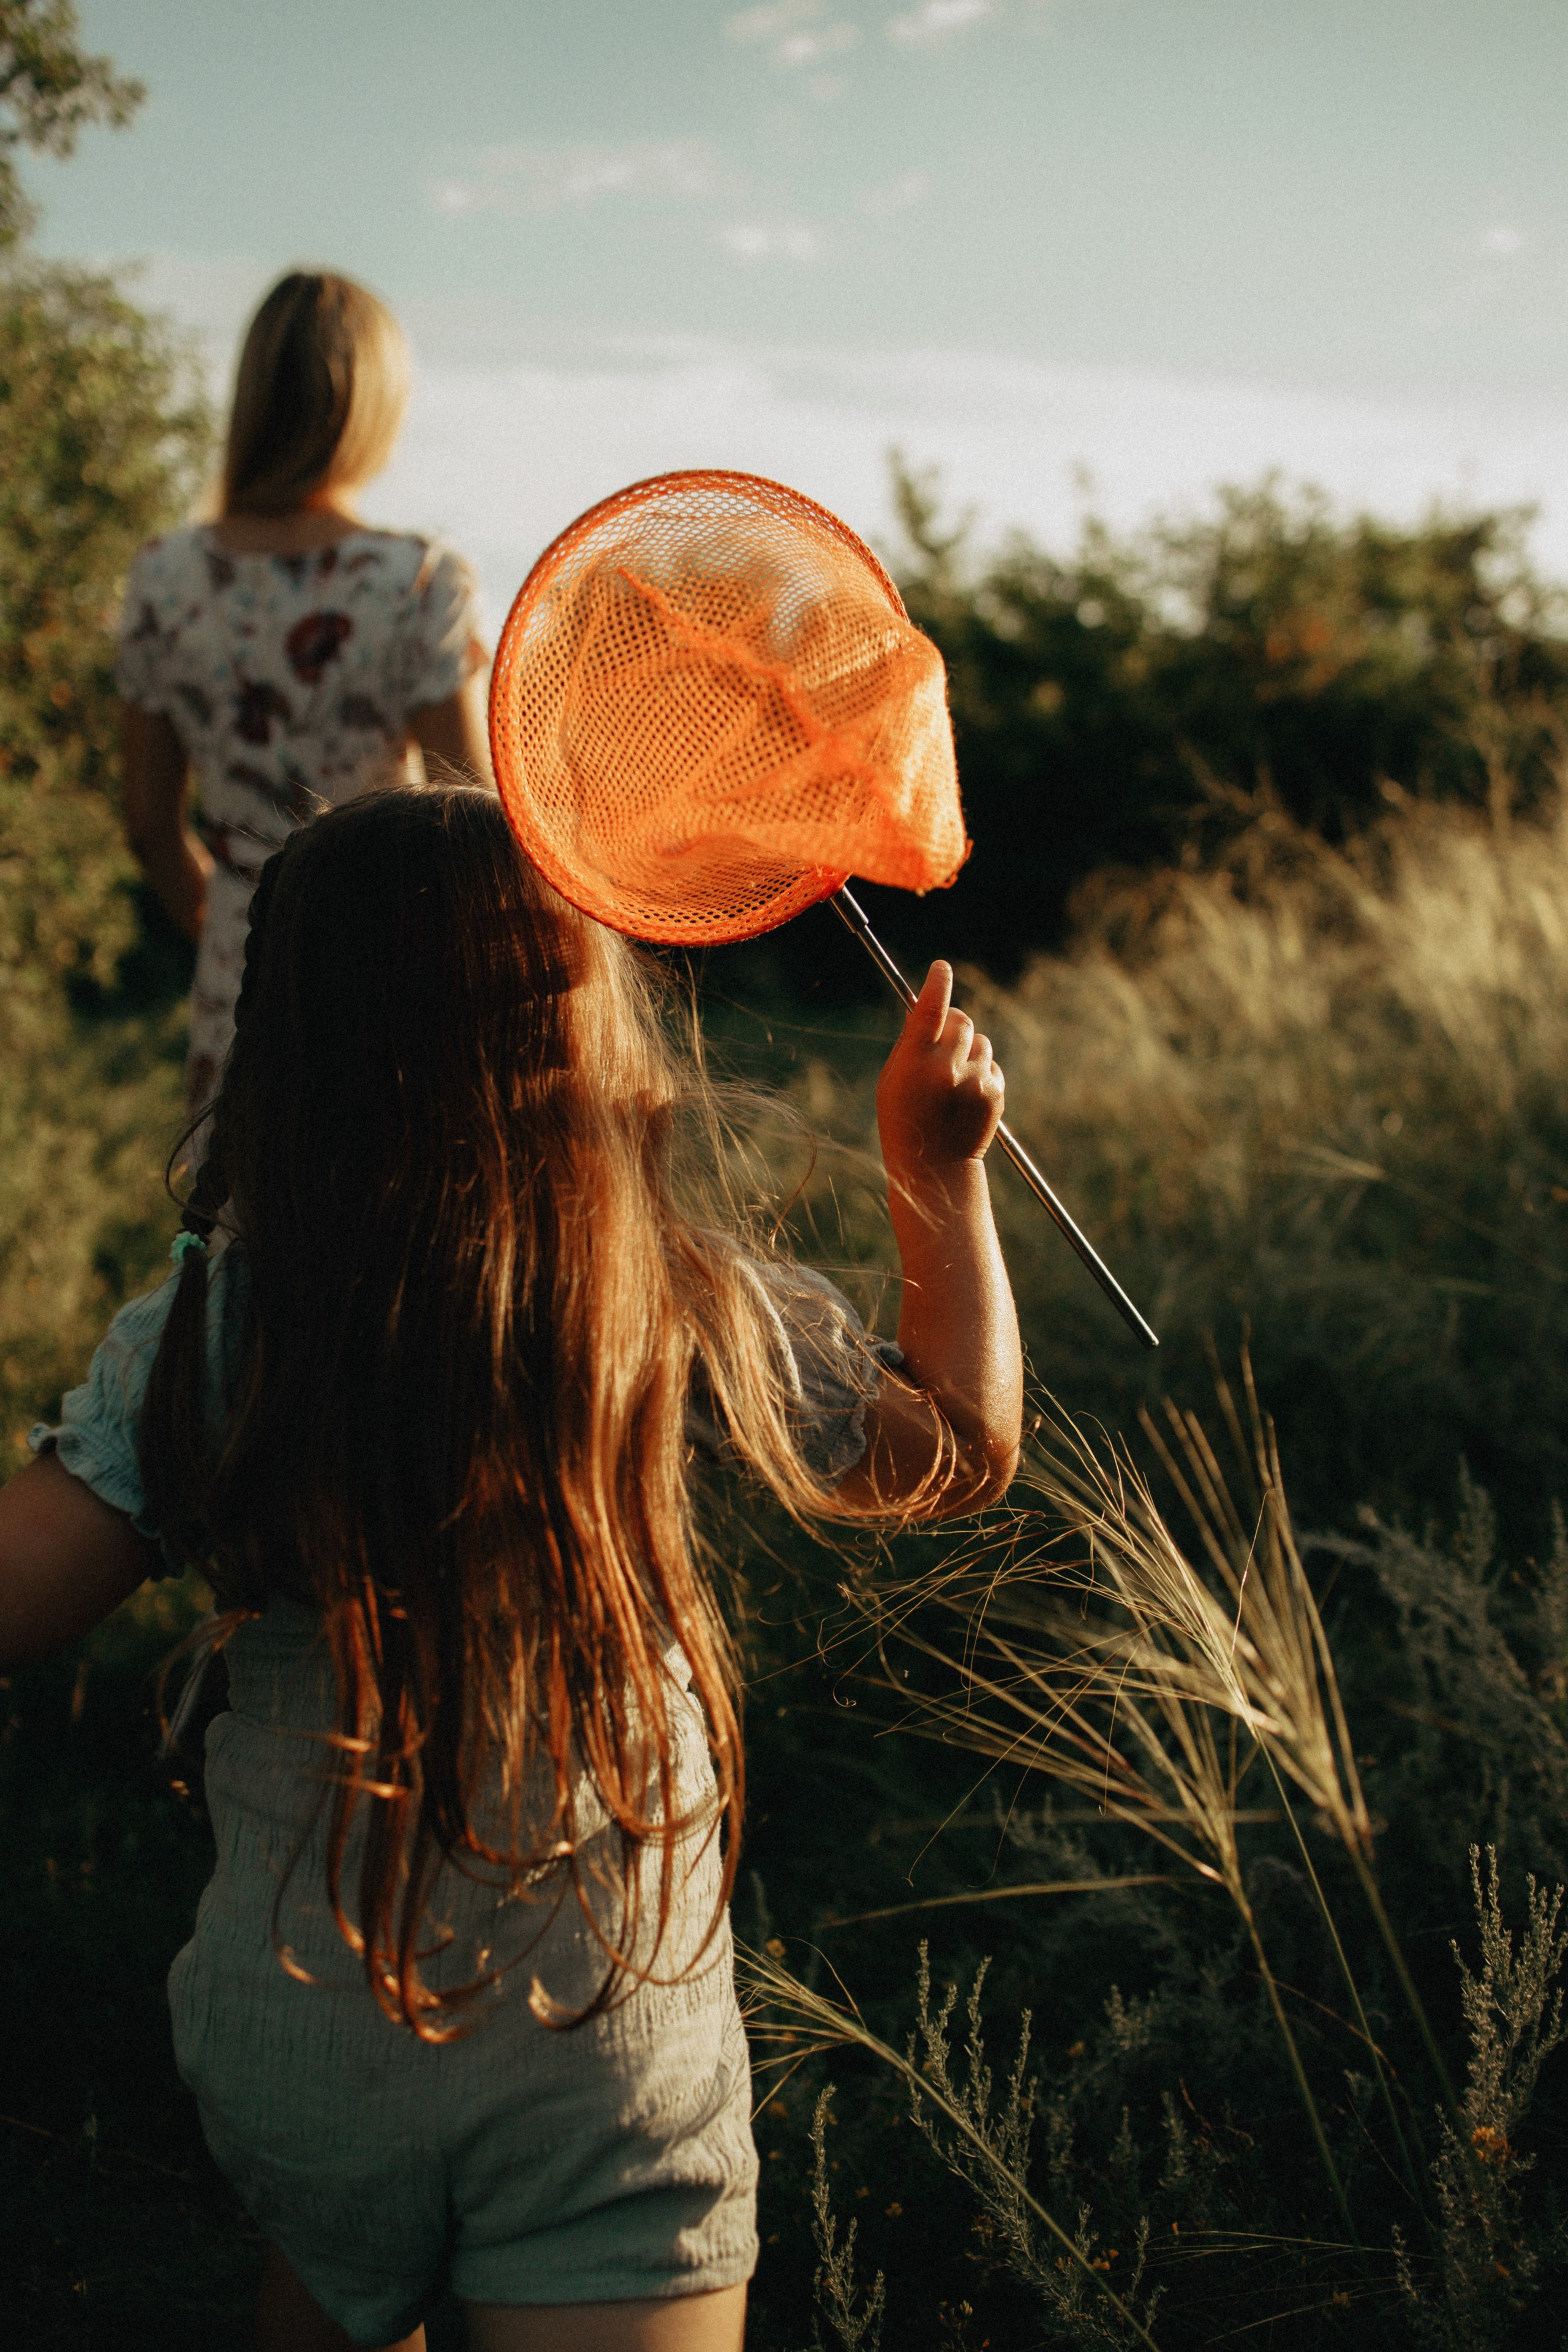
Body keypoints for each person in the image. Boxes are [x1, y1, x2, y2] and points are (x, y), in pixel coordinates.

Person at [0, 785, 1022, 2352]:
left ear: (293, 1045)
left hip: (303, 2032)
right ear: (590, 1019)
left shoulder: (218, 1328)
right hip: (598, 2035)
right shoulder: (664, 1297)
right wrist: (935, 1168)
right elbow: (954, 1451)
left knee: (340, 2273)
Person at [118, 270, 491, 1116]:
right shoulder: (417, 581)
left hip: (238, 997)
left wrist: (236, 935)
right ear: (372, 406)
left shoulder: (165, 577)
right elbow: (468, 823)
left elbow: (148, 826)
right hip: (392, 986)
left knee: (240, 1228)